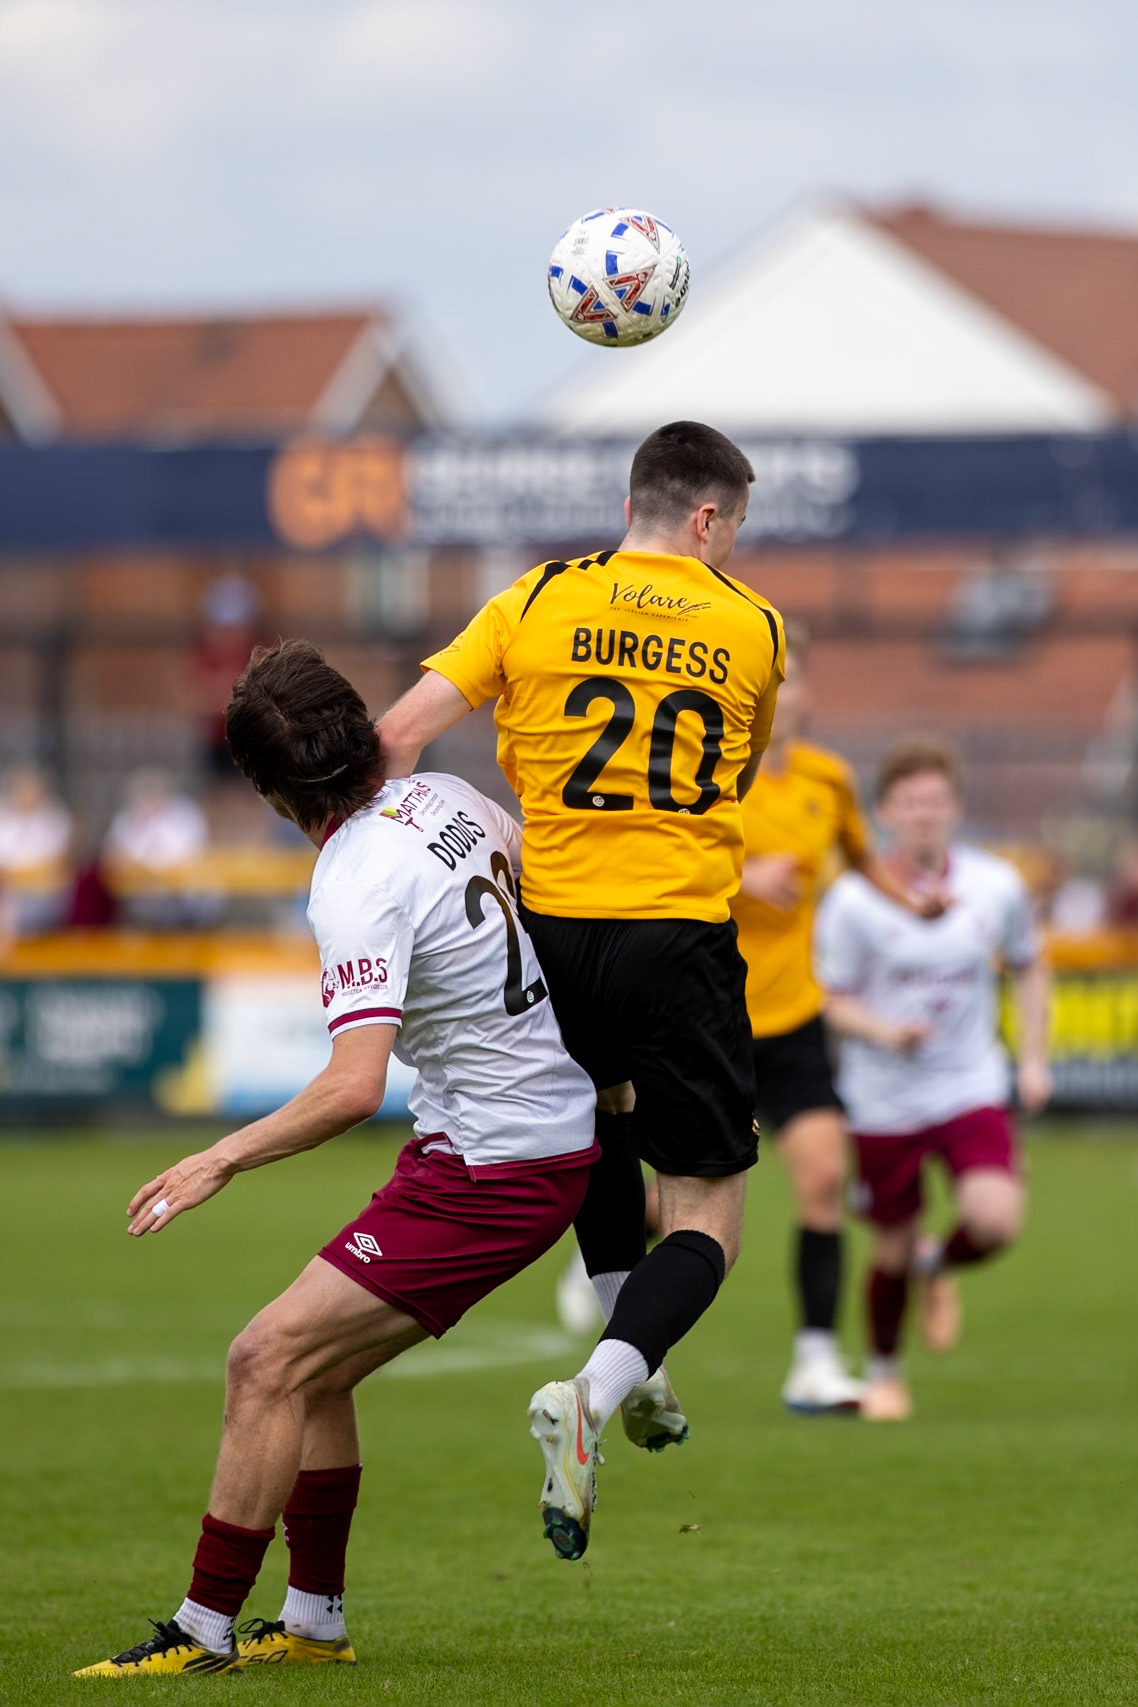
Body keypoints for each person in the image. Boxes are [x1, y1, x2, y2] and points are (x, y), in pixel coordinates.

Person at [76, 639, 598, 1677]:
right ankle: (312, 1620)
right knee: (311, 1374)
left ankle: (200, 1631)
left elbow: (352, 1084)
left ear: (270, 790)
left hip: (496, 1168)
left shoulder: (353, 876)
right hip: (507, 1141)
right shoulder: (446, 795)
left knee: (262, 1358)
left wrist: (218, 1157)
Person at [379, 420, 784, 1561]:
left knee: (600, 1122)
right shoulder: (750, 625)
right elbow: (734, 779)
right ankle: (596, 1394)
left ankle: (637, 1371)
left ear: (632, 504)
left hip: (548, 929)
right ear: (705, 520)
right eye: (732, 529)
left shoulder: (534, 599)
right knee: (707, 1215)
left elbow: (398, 734)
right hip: (677, 936)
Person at [731, 626, 945, 1415]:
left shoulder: (830, 779)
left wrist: (913, 904)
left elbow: (862, 860)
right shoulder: (715, 778)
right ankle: (606, 1252)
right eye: (767, 683)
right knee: (682, 1199)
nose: (780, 697)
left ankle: (815, 1362)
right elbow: (665, 874)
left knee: (824, 1178)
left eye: (791, 681)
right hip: (712, 1018)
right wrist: (745, 877)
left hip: (797, 1019)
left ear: (808, 693)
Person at [815, 739, 1052, 1422]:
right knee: (887, 1245)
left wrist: (1033, 1057)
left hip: (968, 1083)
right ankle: (886, 1373)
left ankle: (937, 1264)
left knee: (995, 1218)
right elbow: (828, 997)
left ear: (955, 808)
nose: (925, 814)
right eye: (911, 803)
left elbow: (1031, 963)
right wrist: (886, 1031)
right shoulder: (855, 900)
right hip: (884, 1097)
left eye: (937, 801)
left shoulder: (994, 883)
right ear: (885, 811)